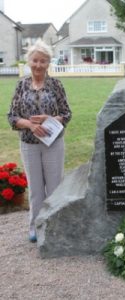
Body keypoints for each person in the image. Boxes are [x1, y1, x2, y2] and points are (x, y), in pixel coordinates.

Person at [7, 40, 72, 243]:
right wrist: (30, 125)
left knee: (53, 187)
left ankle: (53, 224)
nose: (38, 65)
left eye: (43, 61)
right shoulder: (21, 85)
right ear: (29, 62)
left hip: (53, 144)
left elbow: (67, 114)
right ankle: (35, 226)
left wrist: (49, 119)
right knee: (35, 189)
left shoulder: (56, 85)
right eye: (35, 60)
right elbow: (12, 116)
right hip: (29, 144)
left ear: (48, 63)